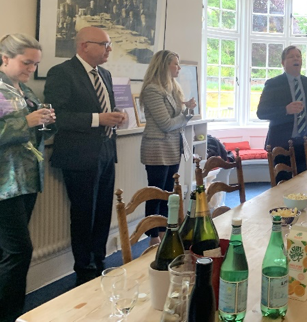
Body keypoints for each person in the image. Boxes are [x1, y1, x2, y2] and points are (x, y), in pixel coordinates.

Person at [44, 27, 126, 285]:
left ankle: (99, 260)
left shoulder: (105, 74)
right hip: (78, 155)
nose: (109, 49)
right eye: (104, 44)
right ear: (84, 46)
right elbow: (58, 116)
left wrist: (116, 117)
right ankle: (84, 268)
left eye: (109, 44)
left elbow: (105, 108)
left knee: (103, 210)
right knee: (83, 213)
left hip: (106, 150)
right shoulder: (62, 73)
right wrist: (98, 119)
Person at [0, 34, 55, 322]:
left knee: (7, 253)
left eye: (35, 64)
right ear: (5, 57)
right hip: (4, 185)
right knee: (20, 251)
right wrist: (27, 122)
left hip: (27, 180)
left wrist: (47, 122)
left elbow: (35, 133)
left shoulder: (26, 91)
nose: (31, 69)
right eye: (26, 62)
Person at [140, 50, 196, 245]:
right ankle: (153, 235)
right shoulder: (152, 89)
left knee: (168, 193)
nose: (179, 68)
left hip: (172, 147)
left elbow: (176, 121)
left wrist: (187, 110)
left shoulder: (172, 87)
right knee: (155, 193)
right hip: (157, 149)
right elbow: (166, 123)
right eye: (175, 64)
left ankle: (164, 230)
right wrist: (187, 113)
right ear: (164, 66)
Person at [257, 45, 307, 178]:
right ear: (283, 63)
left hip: (305, 144)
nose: (296, 59)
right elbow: (261, 112)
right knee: (282, 187)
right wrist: (286, 110)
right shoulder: (273, 84)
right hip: (281, 144)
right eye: (291, 57)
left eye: (298, 56)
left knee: (304, 185)